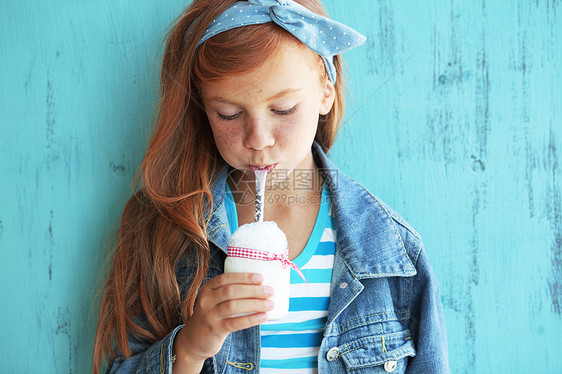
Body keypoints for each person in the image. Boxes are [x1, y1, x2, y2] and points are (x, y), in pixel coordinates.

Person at [92, 0, 450, 373]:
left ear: (325, 91)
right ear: (203, 107)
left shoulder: (392, 253)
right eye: (229, 113)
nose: (258, 139)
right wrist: (191, 348)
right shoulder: (165, 230)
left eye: (283, 110)